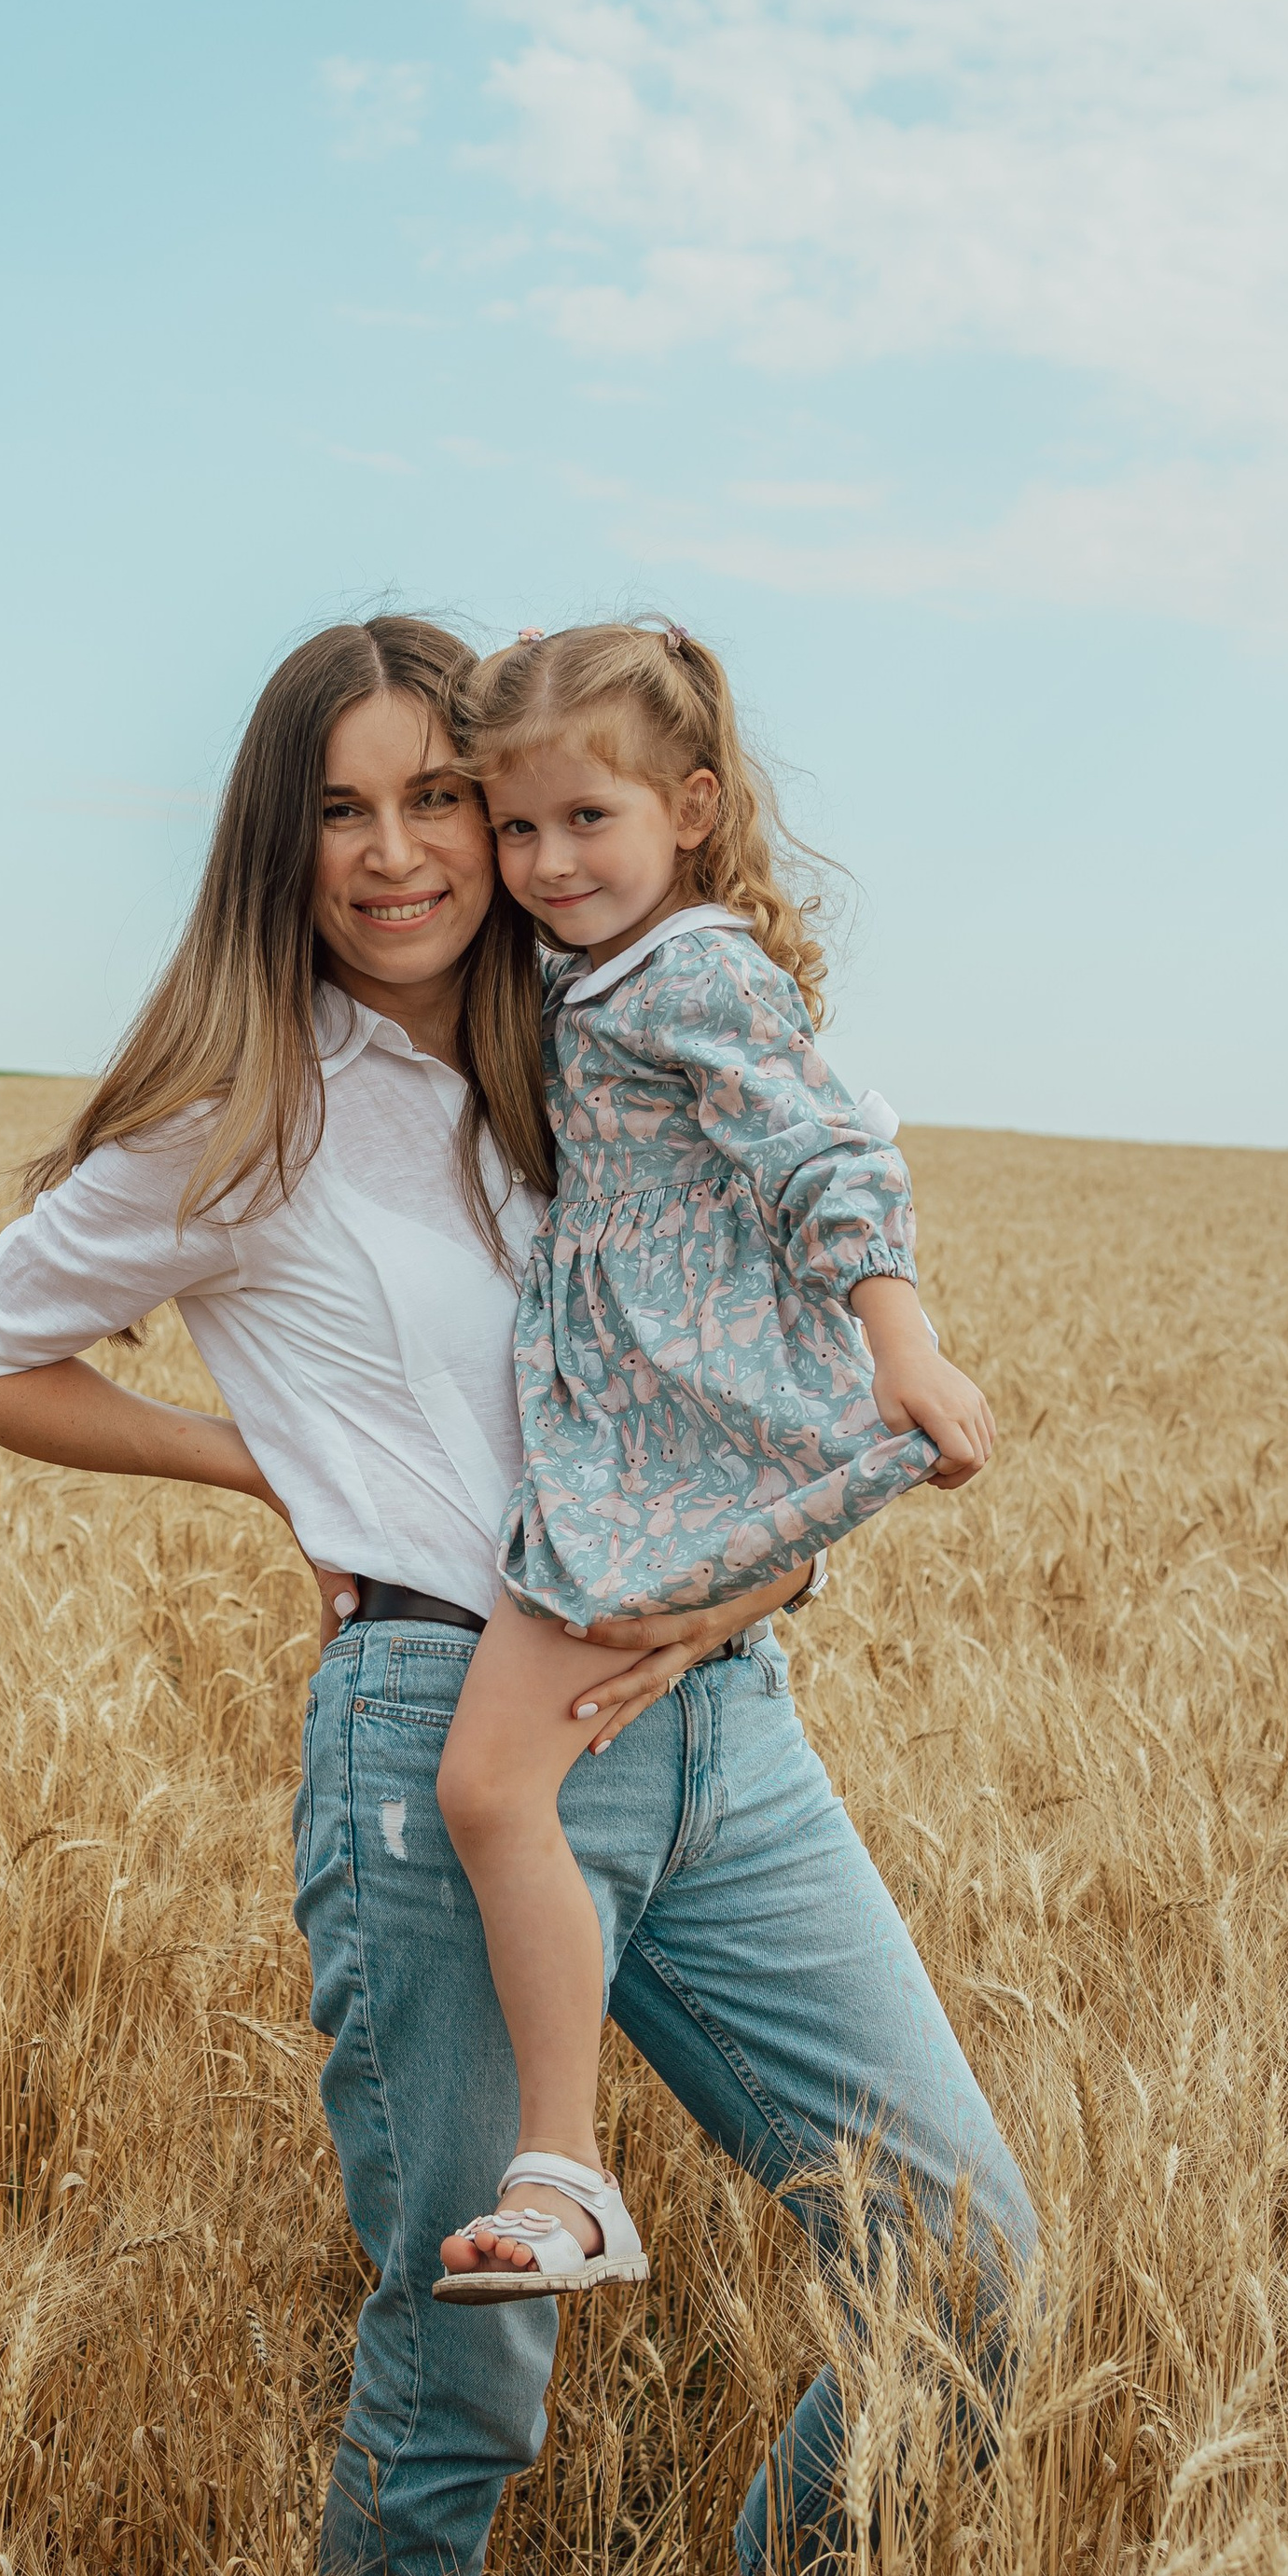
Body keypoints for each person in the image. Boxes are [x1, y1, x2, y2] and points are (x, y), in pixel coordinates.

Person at [0, 615, 1037, 2576]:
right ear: (278, 842)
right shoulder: (242, 1116)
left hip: (720, 1707)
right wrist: (268, 1467)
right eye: (349, 807)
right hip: (448, 1718)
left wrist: (789, 1532)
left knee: (957, 2258)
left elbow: (745, 1346)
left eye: (451, 797)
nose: (412, 851)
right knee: (475, 2360)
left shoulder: (608, 1042)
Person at [429, 621, 994, 2308]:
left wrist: (901, 1342)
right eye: (515, 830)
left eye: (585, 822)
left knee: (483, 1787)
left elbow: (827, 1154)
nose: (542, 864)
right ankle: (565, 2165)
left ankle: (567, 2171)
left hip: (670, 1440)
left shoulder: (694, 971)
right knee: (496, 1787)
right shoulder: (585, 970)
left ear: (690, 806)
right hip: (638, 1424)